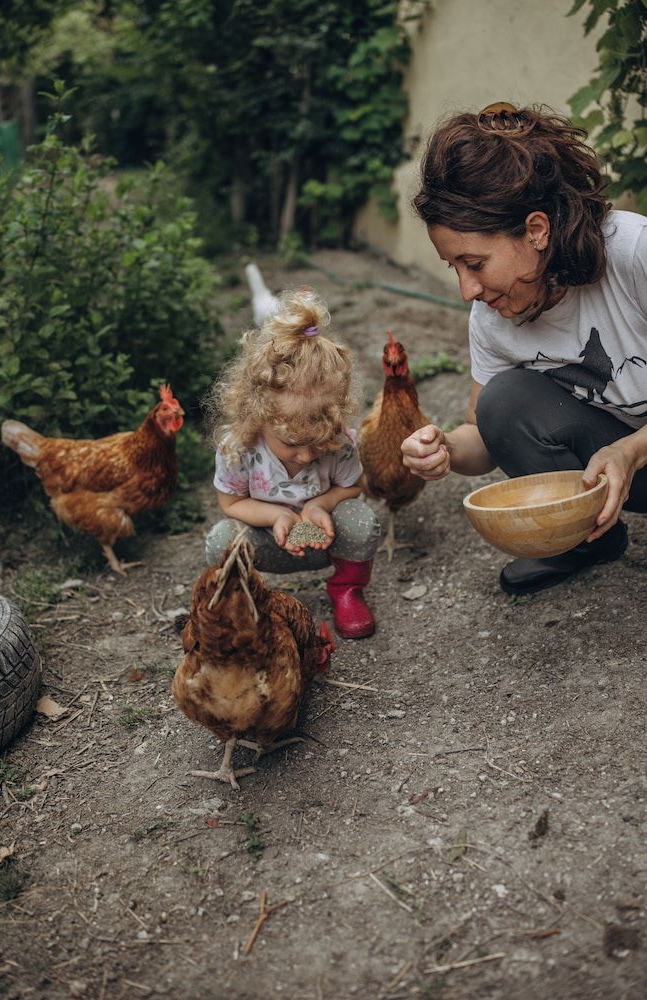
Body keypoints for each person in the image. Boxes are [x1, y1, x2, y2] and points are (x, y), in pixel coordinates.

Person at [401, 102, 647, 595]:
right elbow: (485, 432)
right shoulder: (491, 316)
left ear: (536, 230)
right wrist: (445, 448)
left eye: (475, 262)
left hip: (632, 458)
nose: (468, 289)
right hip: (621, 470)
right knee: (503, 399)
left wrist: (630, 450)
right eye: (455, 267)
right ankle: (585, 540)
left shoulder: (635, 253)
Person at [205, 287, 380, 637]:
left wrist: (320, 504)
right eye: (291, 443)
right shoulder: (239, 447)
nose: (305, 456)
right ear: (257, 416)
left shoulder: (340, 443)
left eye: (317, 443)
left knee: (361, 521)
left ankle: (346, 590)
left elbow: (353, 486)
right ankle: (244, 603)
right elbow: (230, 502)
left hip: (324, 543)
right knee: (222, 540)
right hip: (267, 542)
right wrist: (278, 516)